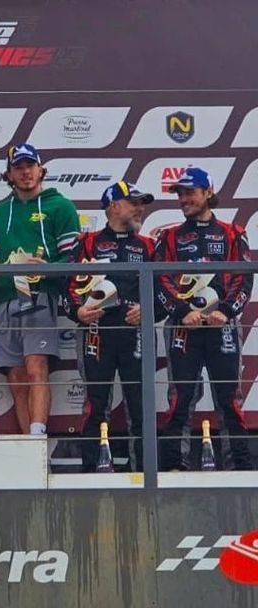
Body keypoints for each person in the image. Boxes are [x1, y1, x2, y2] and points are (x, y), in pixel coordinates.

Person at [154, 167, 253, 471]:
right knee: (181, 398)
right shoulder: (169, 236)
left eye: (190, 193)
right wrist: (183, 311)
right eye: (180, 194)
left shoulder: (233, 233)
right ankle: (174, 466)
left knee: (229, 398)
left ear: (208, 192)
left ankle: (239, 468)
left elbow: (244, 277)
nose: (184, 199)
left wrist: (226, 310)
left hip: (222, 325)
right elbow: (160, 280)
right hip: (184, 327)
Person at [64, 180, 157, 472]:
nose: (140, 209)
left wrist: (149, 309)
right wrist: (78, 312)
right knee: (95, 403)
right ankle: (92, 470)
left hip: (136, 332)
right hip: (97, 332)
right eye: (134, 203)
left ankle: (144, 471)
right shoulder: (87, 242)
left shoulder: (149, 245)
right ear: (114, 206)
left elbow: (166, 289)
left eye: (142, 203)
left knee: (140, 404)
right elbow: (67, 286)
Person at [0, 144, 80, 434]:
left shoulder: (60, 206)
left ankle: (38, 435)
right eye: (18, 167)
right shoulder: (1, 211)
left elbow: (74, 258)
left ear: (41, 169)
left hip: (40, 295)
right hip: (6, 297)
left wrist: (48, 267)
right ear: (9, 174)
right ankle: (28, 446)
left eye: (30, 165)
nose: (25, 172)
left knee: (36, 367)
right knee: (16, 377)